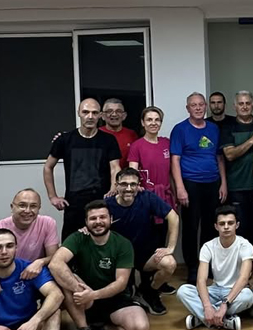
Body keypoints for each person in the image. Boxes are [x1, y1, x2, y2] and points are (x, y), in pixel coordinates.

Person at [49, 200, 149, 330]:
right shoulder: (77, 238)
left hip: (115, 299)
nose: (98, 222)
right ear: (86, 222)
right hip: (83, 299)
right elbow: (55, 264)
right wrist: (81, 290)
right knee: (65, 276)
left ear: (111, 219)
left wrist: (94, 294)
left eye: (102, 217)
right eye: (93, 218)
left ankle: (102, 328)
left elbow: (121, 283)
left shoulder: (123, 244)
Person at [43, 98, 121, 240]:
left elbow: (115, 167)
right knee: (71, 245)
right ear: (79, 113)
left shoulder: (109, 140)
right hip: (74, 204)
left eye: (94, 113)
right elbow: (48, 167)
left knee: (103, 243)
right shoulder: (65, 139)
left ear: (100, 115)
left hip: (101, 202)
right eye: (85, 112)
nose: (90, 116)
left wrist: (112, 190)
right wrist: (52, 196)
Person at [105, 168, 179, 315]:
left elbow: (173, 217)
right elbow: (93, 225)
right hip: (120, 259)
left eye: (133, 184)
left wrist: (170, 247)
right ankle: (129, 290)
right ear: (116, 185)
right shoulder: (107, 204)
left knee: (169, 264)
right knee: (122, 297)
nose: (128, 188)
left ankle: (149, 292)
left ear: (139, 185)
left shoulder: (147, 197)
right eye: (124, 184)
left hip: (145, 255)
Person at [170, 92, 227, 284]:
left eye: (201, 104)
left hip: (212, 183)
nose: (198, 108)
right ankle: (193, 268)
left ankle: (207, 266)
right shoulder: (180, 129)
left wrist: (223, 183)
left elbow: (219, 157)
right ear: (188, 108)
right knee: (191, 227)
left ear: (205, 107)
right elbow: (175, 160)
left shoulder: (213, 128)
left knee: (211, 227)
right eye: (194, 105)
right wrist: (180, 188)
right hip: (190, 183)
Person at [177, 206, 253, 330]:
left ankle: (202, 319)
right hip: (214, 289)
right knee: (183, 291)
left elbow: (244, 278)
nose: (226, 227)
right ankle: (224, 321)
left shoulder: (245, 246)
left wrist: (225, 304)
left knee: (248, 296)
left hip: (235, 292)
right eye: (222, 224)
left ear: (237, 225)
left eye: (230, 223)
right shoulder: (208, 246)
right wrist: (207, 306)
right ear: (216, 226)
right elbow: (201, 280)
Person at [128, 106, 178, 297]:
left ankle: (160, 280)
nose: (153, 123)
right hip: (146, 199)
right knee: (147, 241)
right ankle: (146, 284)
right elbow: (132, 172)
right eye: (149, 119)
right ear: (143, 122)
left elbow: (171, 171)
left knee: (162, 237)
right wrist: (137, 187)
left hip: (165, 197)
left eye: (157, 120)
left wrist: (175, 194)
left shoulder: (166, 143)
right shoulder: (137, 146)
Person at [219, 90, 253, 245]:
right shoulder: (227, 127)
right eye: (241, 103)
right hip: (237, 186)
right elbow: (229, 155)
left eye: (248, 103)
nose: (245, 106)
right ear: (235, 106)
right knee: (241, 228)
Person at [99, 98, 139, 167]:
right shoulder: (97, 133)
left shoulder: (131, 134)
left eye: (118, 111)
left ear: (124, 115)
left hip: (127, 173)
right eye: (109, 111)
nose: (114, 114)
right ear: (102, 116)